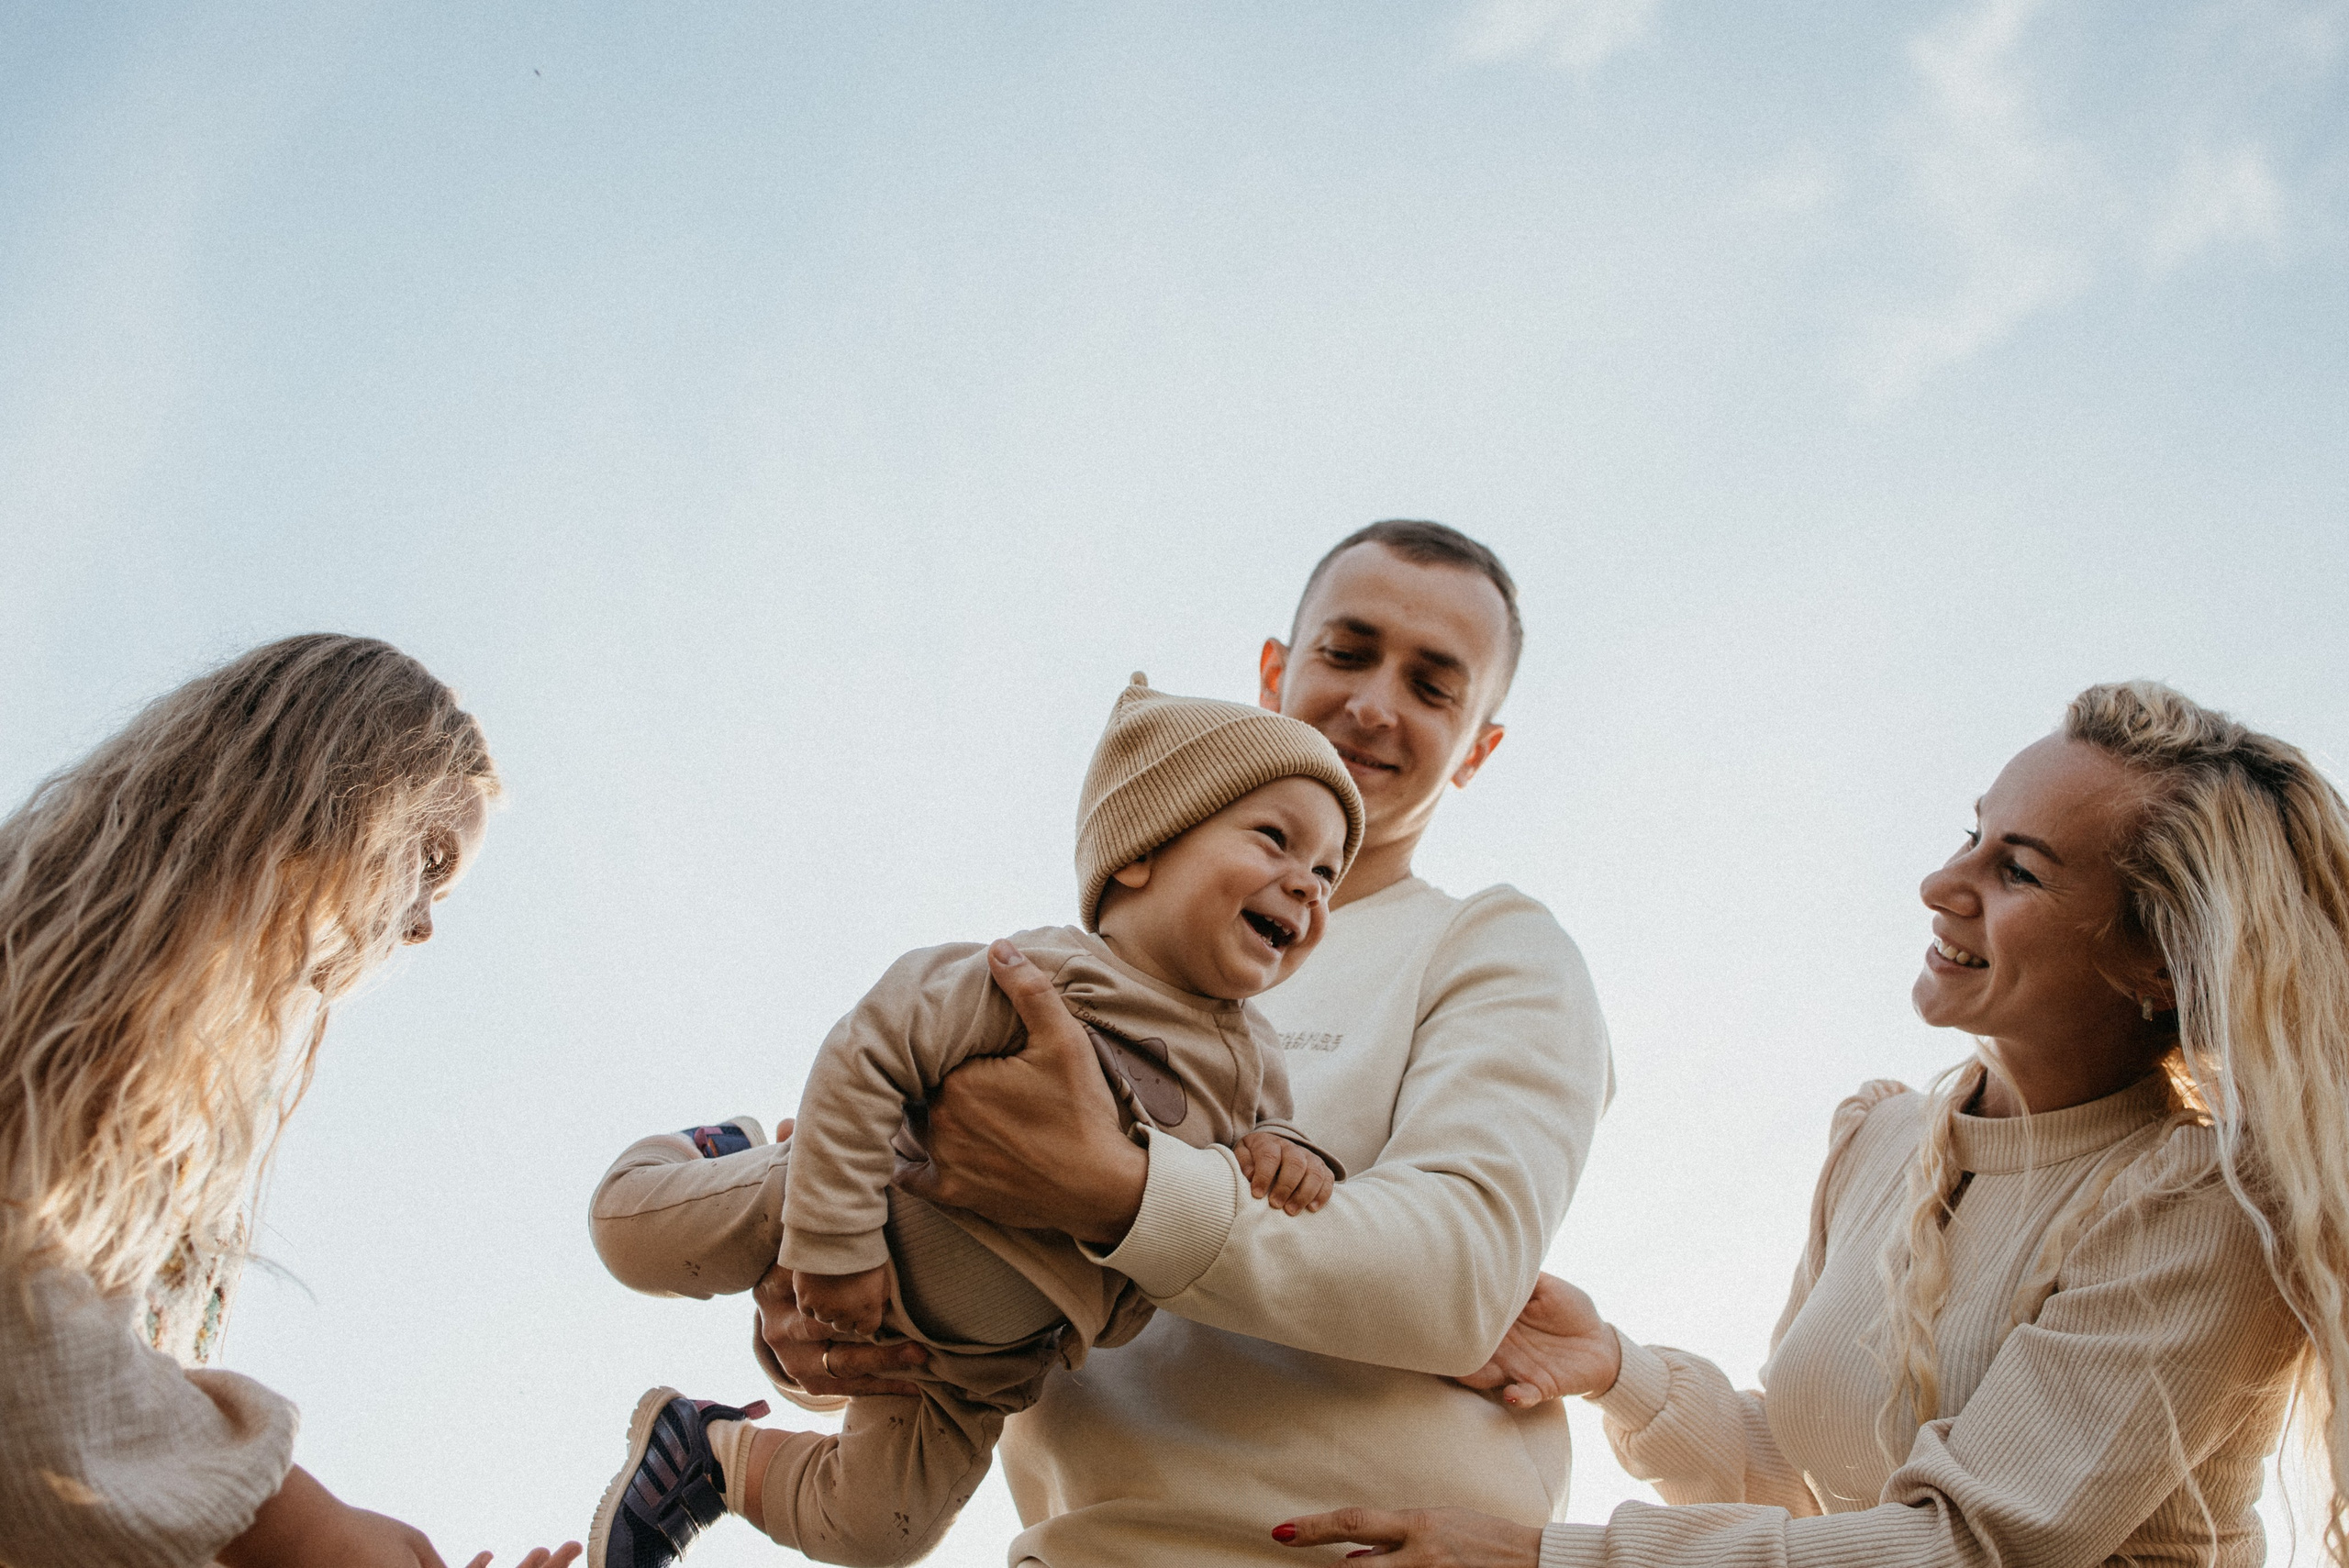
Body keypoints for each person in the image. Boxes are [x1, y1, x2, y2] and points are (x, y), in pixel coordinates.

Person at [1273, 681, 2349, 1568]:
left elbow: (1964, 1543)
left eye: (2015, 868)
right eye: (1970, 834)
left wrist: (1541, 1556)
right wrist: (1615, 1365)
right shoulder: (1878, 1139)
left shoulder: (2212, 1197)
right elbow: (1808, 1491)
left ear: (2156, 961)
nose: (1940, 882)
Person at [754, 521, 1618, 1565]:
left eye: (1434, 686)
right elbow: (944, 1237)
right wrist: (820, 1304)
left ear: (1477, 746)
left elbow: (1459, 1275)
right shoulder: (1082, 964)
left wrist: (1113, 1188)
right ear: (1273, 673)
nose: (1375, 703)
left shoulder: (1492, 945)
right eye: (1346, 652)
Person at [582, 676, 1365, 1567]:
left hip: (974, 1366)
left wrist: (1287, 1153)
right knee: (624, 1231)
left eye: (1329, 873)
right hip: (863, 1201)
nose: (1306, 884)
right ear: (1143, 848)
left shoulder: (1252, 1061)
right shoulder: (1047, 974)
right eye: (1275, 838)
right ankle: (722, 1151)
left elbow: (1246, 1196)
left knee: (877, 1532)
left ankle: (706, 1454)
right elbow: (874, 1042)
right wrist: (833, 1243)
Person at [0, 634, 580, 1568]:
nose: (425, 924)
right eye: (429, 858)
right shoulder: (33, 995)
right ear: (326, 797)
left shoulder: (172, 1119)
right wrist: (294, 1524)